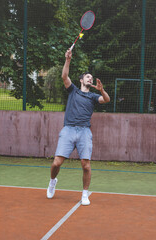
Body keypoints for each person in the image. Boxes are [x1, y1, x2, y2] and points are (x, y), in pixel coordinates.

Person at [46, 49, 110, 206]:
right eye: (88, 77)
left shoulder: (93, 97)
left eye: (92, 78)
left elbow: (106, 100)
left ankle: (84, 194)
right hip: (68, 130)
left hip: (84, 132)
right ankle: (52, 181)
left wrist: (101, 89)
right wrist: (68, 60)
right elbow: (64, 76)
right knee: (56, 163)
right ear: (81, 80)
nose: (90, 79)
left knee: (86, 165)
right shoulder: (73, 90)